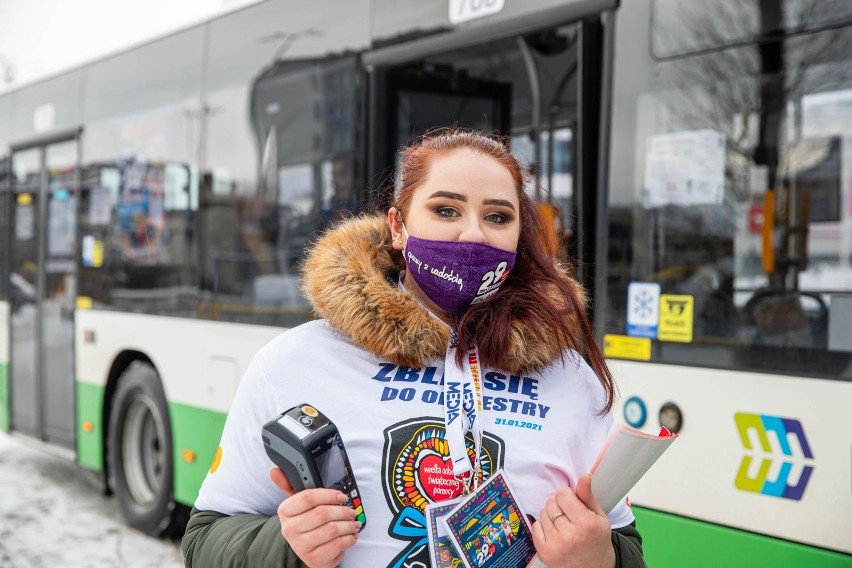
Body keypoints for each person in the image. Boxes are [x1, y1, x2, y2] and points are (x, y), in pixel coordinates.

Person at [182, 128, 646, 568]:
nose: (473, 235)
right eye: (446, 210)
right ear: (398, 227)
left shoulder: (570, 378)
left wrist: (600, 557)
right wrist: (285, 546)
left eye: (498, 216)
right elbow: (205, 539)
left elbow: (624, 545)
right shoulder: (295, 362)